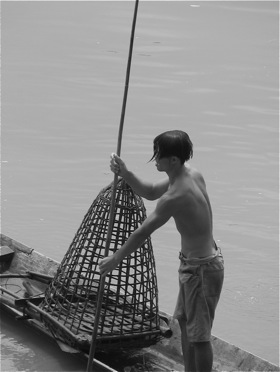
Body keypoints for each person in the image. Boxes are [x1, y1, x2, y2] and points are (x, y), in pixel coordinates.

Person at [99, 130, 224, 372]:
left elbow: (142, 232)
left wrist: (115, 258)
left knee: (200, 336)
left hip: (201, 270)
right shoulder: (190, 174)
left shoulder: (176, 195)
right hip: (199, 265)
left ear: (173, 160)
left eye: (158, 156)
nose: (155, 160)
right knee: (186, 322)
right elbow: (151, 191)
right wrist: (125, 173)